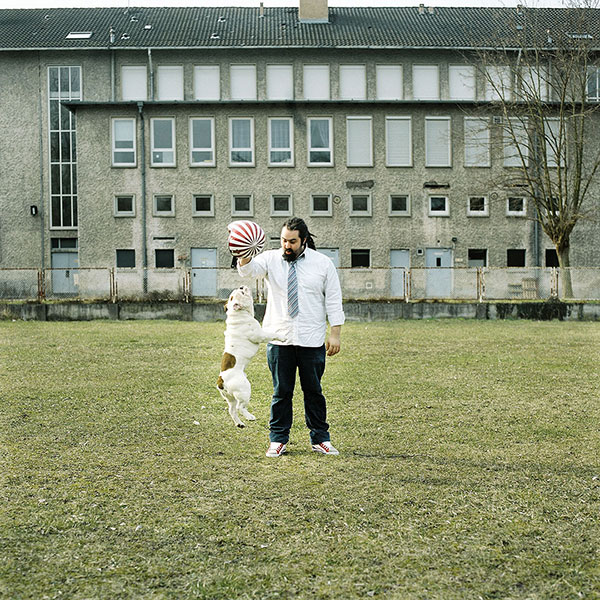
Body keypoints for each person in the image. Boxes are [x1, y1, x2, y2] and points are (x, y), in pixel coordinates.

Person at [237, 217, 345, 457]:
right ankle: (278, 439)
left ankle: (320, 438)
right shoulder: (271, 259)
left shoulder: (323, 264)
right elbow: (247, 271)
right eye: (284, 240)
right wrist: (242, 250)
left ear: (304, 240)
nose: (287, 245)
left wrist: (335, 334)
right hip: (279, 339)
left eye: (292, 241)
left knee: (314, 391)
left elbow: (334, 299)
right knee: (281, 392)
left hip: (311, 338)